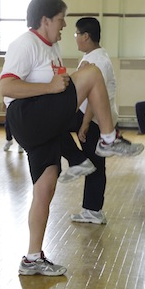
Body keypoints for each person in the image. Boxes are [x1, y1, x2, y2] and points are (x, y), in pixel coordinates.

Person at [0, 0, 143, 276]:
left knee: (45, 188)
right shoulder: (25, 44)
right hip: (27, 116)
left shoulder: (51, 47)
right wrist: (51, 87)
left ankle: (32, 258)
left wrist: (57, 87)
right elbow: (7, 89)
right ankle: (108, 138)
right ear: (45, 20)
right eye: (61, 20)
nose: (64, 26)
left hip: (43, 121)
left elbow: (59, 85)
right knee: (90, 73)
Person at [60, 17, 115, 224]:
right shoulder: (95, 56)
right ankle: (92, 210)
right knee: (95, 163)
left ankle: (77, 161)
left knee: (51, 127)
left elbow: (94, 96)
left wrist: (84, 123)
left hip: (93, 119)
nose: (75, 39)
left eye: (76, 35)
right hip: (93, 118)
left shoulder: (96, 60)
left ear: (86, 36)